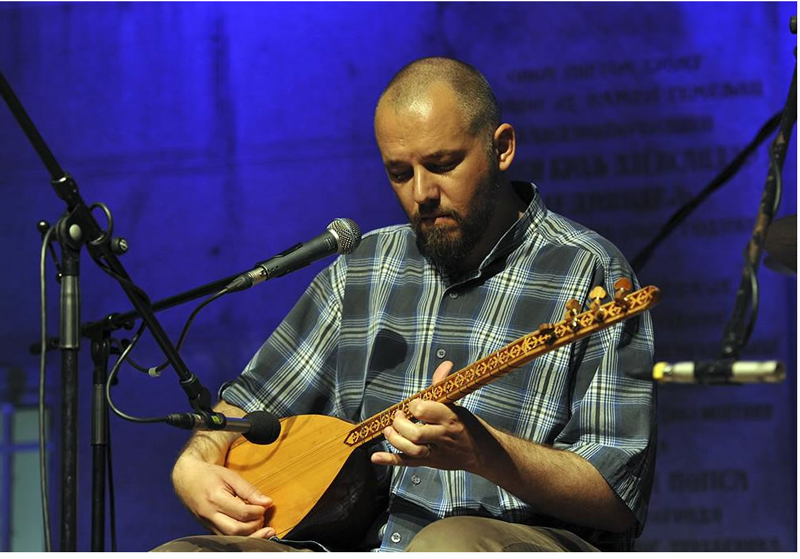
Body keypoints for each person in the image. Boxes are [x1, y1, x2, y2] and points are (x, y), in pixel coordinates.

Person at [153, 56, 656, 552]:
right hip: (344, 542)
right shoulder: (362, 266)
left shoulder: (588, 271)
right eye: (399, 172)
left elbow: (616, 495)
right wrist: (194, 464)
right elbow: (246, 407)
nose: (421, 193)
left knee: (447, 544)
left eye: (442, 165)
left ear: (502, 148)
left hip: (503, 542)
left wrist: (485, 454)